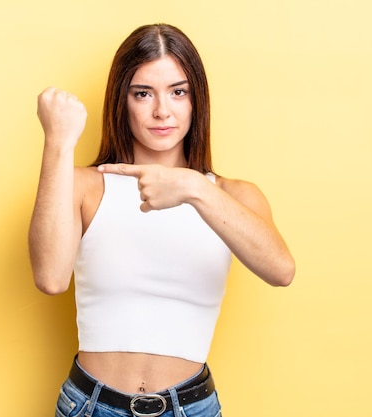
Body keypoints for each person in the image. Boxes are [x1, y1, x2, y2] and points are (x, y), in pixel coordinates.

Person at [29, 23, 295, 417]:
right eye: (143, 93)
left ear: (196, 100)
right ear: (123, 101)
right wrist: (57, 142)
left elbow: (281, 270)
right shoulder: (86, 185)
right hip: (92, 406)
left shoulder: (233, 195)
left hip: (192, 407)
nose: (161, 110)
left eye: (178, 91)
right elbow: (50, 278)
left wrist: (194, 188)